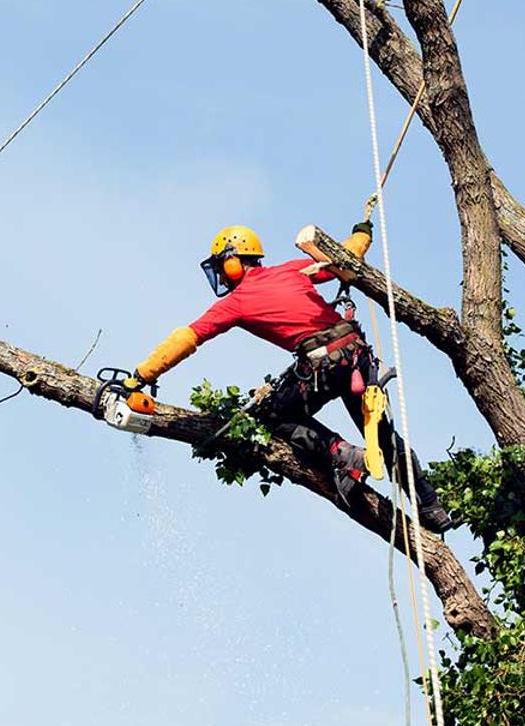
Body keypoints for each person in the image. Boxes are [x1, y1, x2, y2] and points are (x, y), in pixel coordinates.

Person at [125, 223, 454, 533]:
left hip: (323, 363)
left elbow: (187, 337)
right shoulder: (292, 269)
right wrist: (361, 234)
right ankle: (431, 506)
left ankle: (343, 454)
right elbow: (344, 254)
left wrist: (140, 375)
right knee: (382, 435)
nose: (223, 279)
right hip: (355, 355)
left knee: (272, 414)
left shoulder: (236, 303)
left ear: (232, 263)